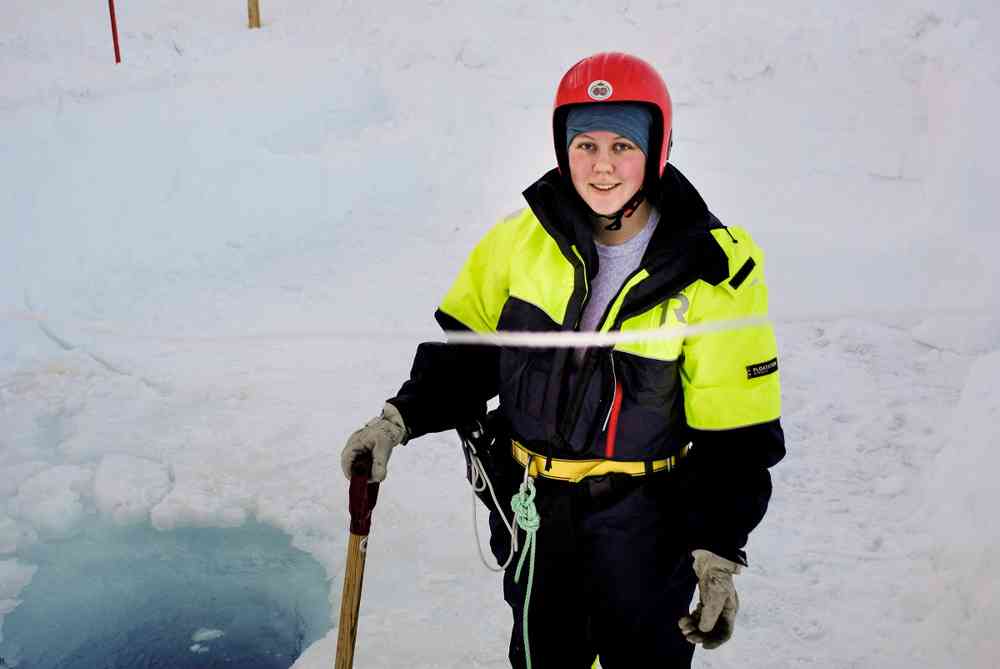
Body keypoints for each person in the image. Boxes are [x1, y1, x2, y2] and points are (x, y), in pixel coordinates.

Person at [341, 52, 785, 668]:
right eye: (585, 144)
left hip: (646, 524)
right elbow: (467, 361)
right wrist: (397, 420)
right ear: (561, 146)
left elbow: (737, 434)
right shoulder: (518, 242)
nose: (603, 165)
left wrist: (718, 552)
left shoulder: (713, 270)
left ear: (657, 149)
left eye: (623, 145)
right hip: (537, 513)